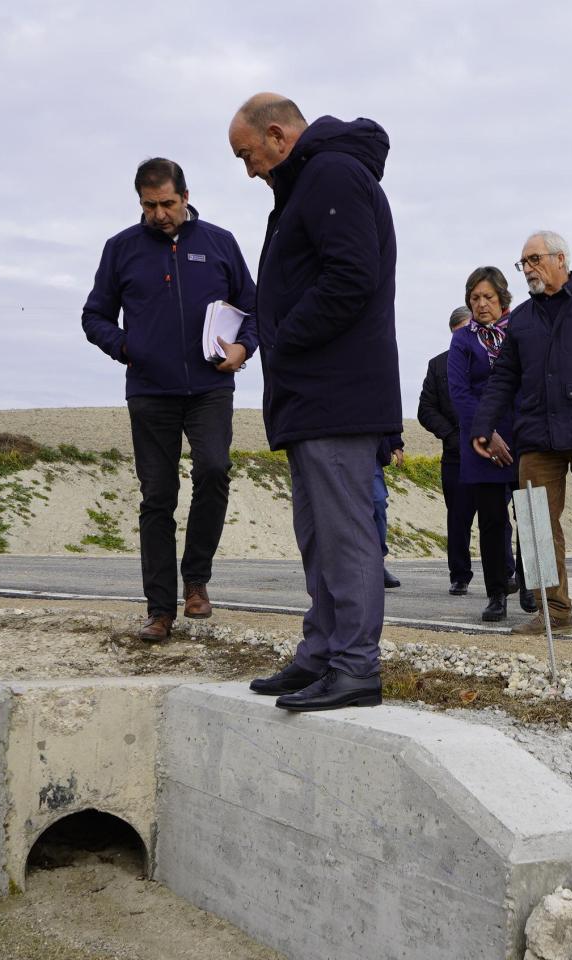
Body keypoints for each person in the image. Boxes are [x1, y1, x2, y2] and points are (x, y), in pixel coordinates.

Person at [229, 93, 399, 711]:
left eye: (246, 155)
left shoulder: (332, 173)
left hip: (337, 393)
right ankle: (322, 651)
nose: (247, 169)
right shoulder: (303, 186)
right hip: (310, 395)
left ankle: (356, 666)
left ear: (277, 135)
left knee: (347, 535)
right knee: (319, 535)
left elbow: (350, 276)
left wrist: (283, 337)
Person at [80, 157, 257, 642]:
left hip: (210, 387)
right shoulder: (121, 249)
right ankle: (159, 610)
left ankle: (196, 581)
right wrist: (124, 347)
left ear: (185, 196)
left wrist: (243, 347)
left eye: (168, 204)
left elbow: (254, 309)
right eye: (149, 205)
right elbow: (93, 315)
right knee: (158, 497)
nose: (160, 214)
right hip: (150, 392)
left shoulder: (219, 243)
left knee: (215, 471)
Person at [471, 231, 572, 635]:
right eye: (523, 263)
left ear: (560, 259)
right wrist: (483, 425)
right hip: (536, 435)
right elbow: (505, 376)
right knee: (535, 524)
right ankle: (555, 611)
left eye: (534, 259)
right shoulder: (523, 318)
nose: (527, 269)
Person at [448, 266, 527, 622]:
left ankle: (531, 586)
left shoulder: (521, 333)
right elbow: (459, 393)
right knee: (493, 521)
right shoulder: (463, 341)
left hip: (523, 437)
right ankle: (497, 593)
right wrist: (486, 432)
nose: (481, 305)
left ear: (502, 298)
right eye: (475, 298)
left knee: (530, 516)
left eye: (488, 298)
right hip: (481, 443)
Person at [417, 307, 475, 595]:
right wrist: (452, 436)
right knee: (458, 518)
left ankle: (506, 576)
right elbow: (425, 409)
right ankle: (459, 575)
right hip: (455, 456)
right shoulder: (438, 365)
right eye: (457, 333)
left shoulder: (492, 360)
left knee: (498, 518)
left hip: (492, 454)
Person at [375, 433, 404, 588]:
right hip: (337, 444)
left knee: (377, 502)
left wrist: (395, 444)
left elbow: (389, 409)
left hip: (371, 450)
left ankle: (377, 565)